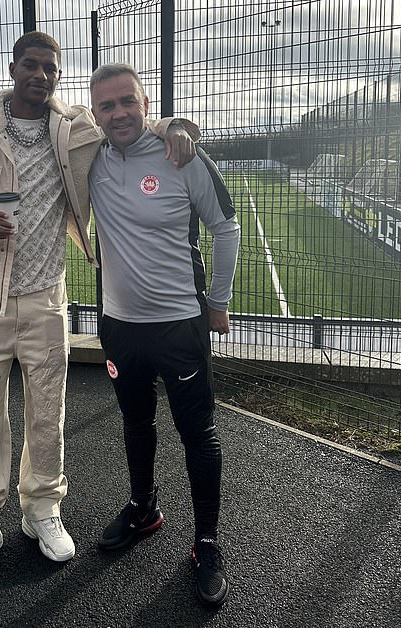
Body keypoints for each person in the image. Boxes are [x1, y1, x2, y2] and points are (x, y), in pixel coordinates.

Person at [0, 32, 199, 588]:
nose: (40, 75)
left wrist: (175, 126)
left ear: (58, 74)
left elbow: (128, 119)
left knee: (46, 411)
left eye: (50, 67)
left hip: (47, 297)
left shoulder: (72, 130)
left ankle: (42, 510)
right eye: (30, 65)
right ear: (12, 69)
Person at [88, 63, 240, 607]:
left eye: (128, 101)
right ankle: (143, 508)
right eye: (106, 105)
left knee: (198, 435)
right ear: (95, 114)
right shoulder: (89, 157)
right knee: (134, 420)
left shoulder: (181, 155)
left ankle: (206, 544)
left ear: (145, 103)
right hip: (119, 327)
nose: (118, 113)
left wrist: (217, 304)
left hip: (179, 325)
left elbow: (226, 226)